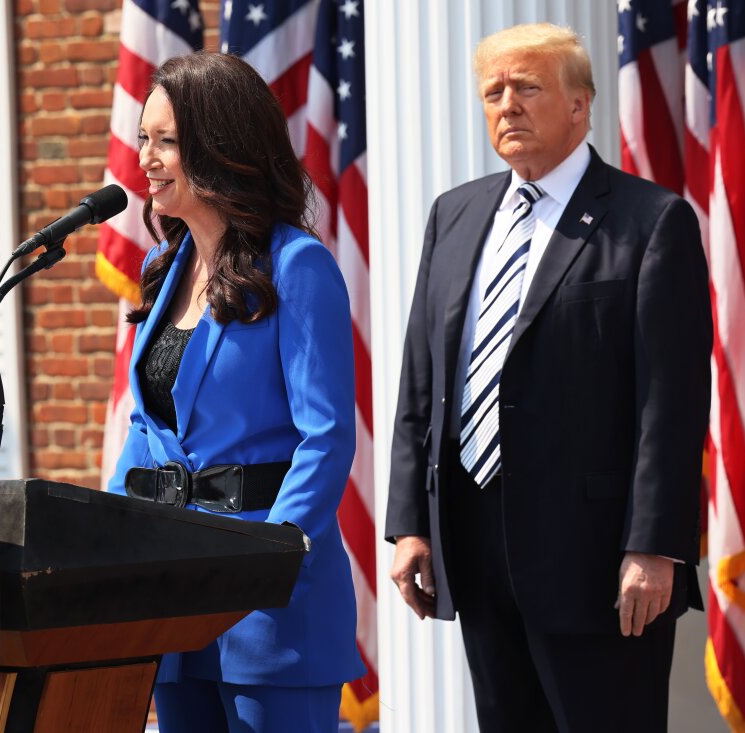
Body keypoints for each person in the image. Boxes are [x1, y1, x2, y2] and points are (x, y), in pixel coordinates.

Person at [386, 23, 712, 733]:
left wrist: (654, 544)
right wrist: (411, 523)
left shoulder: (652, 221)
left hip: (599, 561)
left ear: (579, 104)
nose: (507, 105)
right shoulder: (454, 214)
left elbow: (672, 402)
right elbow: (422, 380)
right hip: (475, 544)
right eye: (493, 92)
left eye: (527, 87)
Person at [106, 52, 364, 733]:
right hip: (174, 593)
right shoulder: (164, 268)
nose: (146, 159)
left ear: (221, 146)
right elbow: (149, 426)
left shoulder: (297, 266)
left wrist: (271, 558)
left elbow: (326, 435)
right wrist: (98, 530)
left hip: (269, 601)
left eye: (166, 141)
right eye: (143, 138)